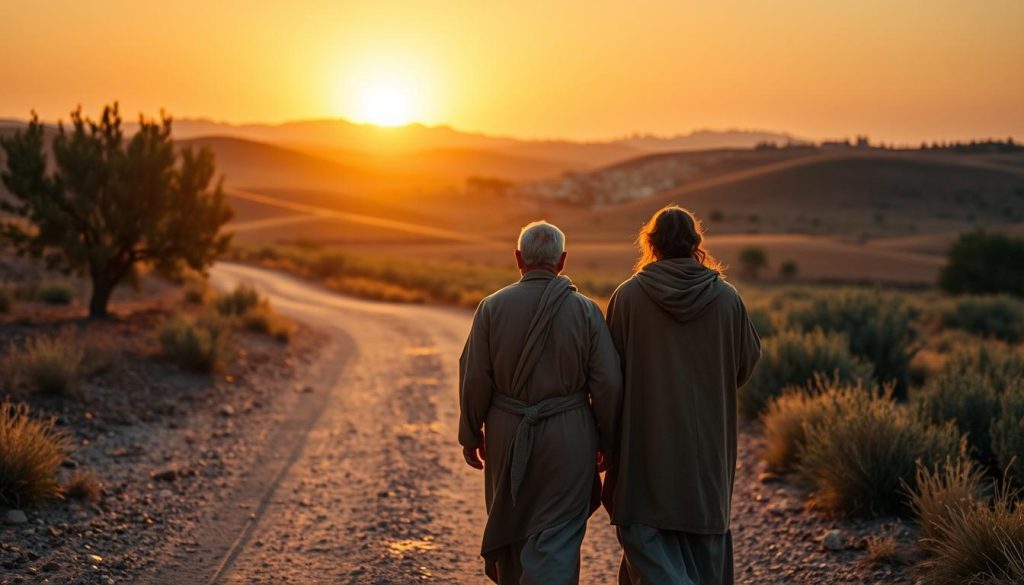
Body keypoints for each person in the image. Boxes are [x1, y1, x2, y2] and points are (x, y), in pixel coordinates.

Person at [604, 205, 761, 585]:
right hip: (706, 450)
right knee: (704, 553)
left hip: (645, 449)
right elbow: (745, 364)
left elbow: (609, 376)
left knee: (646, 547)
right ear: (695, 244)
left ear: (651, 243)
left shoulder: (628, 298)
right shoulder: (727, 299)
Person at [459, 220, 623, 584]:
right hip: (569, 435)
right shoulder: (587, 311)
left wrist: (470, 433)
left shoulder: (491, 308)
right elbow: (608, 383)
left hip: (507, 432)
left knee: (512, 527)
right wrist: (607, 442)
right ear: (562, 261)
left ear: (518, 258)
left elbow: (474, 378)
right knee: (558, 536)